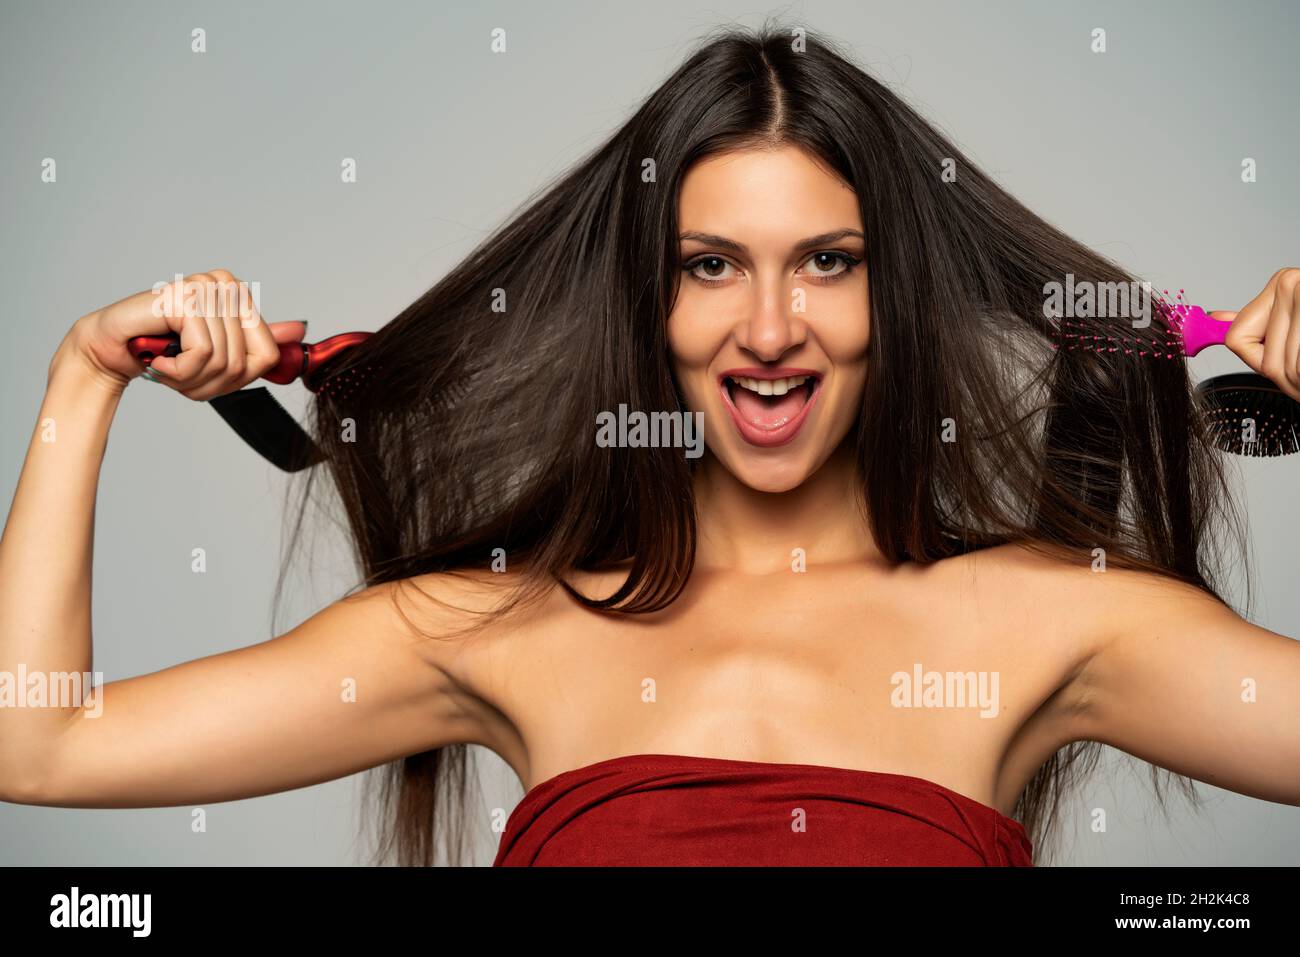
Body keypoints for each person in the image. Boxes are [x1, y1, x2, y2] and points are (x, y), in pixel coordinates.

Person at [2, 24, 1298, 867]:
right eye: (711, 266)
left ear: (891, 297)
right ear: (647, 298)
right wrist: (83, 374)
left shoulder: (1055, 623)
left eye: (828, 263)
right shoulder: (492, 624)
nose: (772, 327)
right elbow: (38, 745)